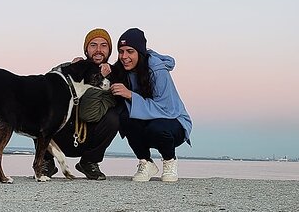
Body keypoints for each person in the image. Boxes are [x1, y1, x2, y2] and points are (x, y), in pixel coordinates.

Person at [110, 28, 192, 182]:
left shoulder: (157, 69)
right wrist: (81, 64)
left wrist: (131, 95)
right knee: (124, 116)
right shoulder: (122, 68)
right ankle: (146, 162)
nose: (124, 57)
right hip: (148, 122)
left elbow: (167, 110)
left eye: (130, 51)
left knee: (157, 127)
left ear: (140, 52)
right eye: (121, 51)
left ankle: (169, 161)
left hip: (173, 123)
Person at [43, 28, 120, 180]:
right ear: (86, 49)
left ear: (110, 50)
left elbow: (90, 114)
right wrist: (70, 72)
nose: (98, 50)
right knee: (42, 107)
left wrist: (99, 78)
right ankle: (45, 161)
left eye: (104, 45)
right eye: (93, 45)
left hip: (88, 136)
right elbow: (46, 85)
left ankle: (89, 162)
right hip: (60, 134)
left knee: (113, 118)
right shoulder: (69, 66)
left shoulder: (114, 76)